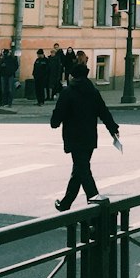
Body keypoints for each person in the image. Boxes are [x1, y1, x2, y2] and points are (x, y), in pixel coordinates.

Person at [50, 64, 120, 210]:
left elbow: (56, 120)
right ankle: (65, 203)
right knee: (79, 169)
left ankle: (95, 201)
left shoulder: (67, 92)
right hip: (89, 138)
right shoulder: (93, 92)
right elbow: (104, 112)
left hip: (73, 138)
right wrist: (113, 129)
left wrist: (55, 119)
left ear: (72, 76)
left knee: (82, 169)